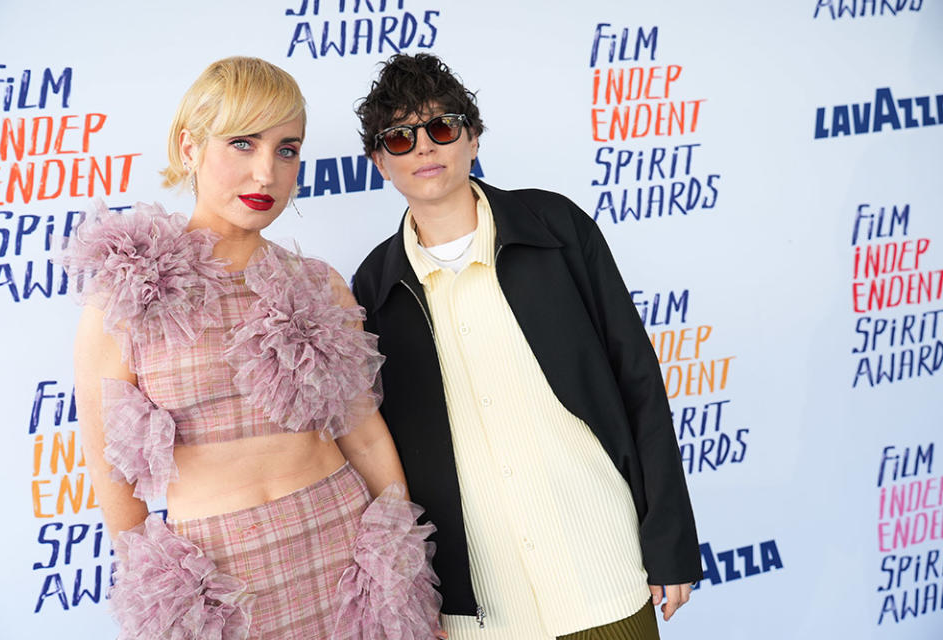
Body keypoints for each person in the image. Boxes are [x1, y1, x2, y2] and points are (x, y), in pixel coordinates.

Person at [59, 56, 442, 640]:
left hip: (345, 549)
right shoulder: (124, 298)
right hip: (224, 583)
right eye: (242, 143)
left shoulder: (319, 283)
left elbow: (363, 434)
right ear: (189, 148)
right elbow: (112, 477)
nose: (266, 173)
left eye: (287, 149)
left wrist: (403, 574)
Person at [351, 53, 703, 640]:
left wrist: (668, 540)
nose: (424, 149)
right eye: (400, 137)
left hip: (600, 569)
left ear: (473, 136)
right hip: (478, 606)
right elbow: (375, 452)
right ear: (379, 162)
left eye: (441, 127)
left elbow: (636, 377)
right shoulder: (372, 289)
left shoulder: (556, 228)